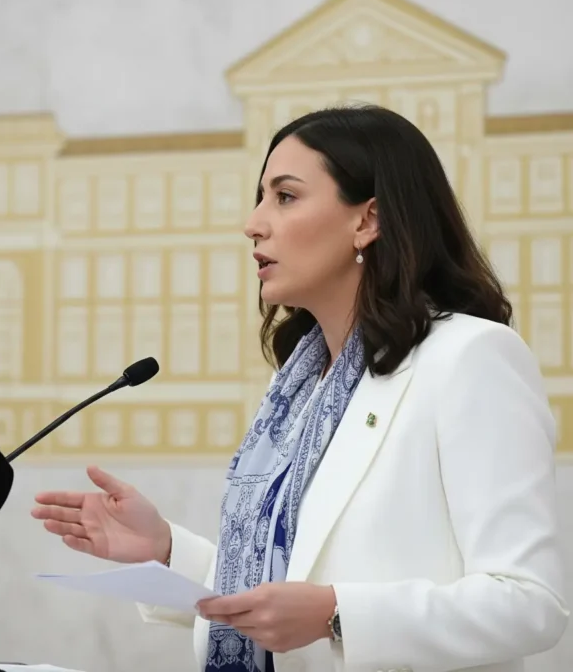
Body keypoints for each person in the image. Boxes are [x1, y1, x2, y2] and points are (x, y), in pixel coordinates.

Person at [31, 105, 569, 672]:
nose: (253, 223)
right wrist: (165, 550)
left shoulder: (470, 358)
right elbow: (290, 585)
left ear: (368, 220)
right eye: (260, 197)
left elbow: (531, 603)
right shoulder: (299, 386)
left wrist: (337, 615)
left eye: (285, 196)